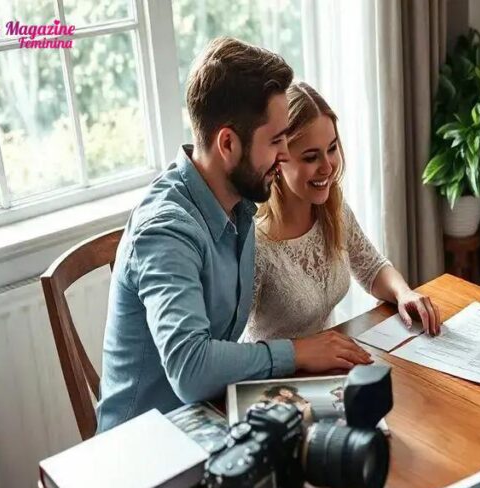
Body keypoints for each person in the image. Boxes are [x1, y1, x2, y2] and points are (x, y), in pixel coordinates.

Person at [96, 38, 371, 432]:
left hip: (211, 417)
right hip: (147, 446)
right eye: (275, 141)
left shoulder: (239, 206)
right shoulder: (166, 230)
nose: (283, 154)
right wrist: (296, 353)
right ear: (228, 143)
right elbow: (191, 369)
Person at [244, 82, 441, 346]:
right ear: (278, 160)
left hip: (330, 367)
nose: (328, 167)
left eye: (332, 148)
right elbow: (230, 349)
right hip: (278, 382)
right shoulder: (255, 243)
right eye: (311, 157)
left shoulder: (332, 211)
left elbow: (372, 268)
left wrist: (404, 293)